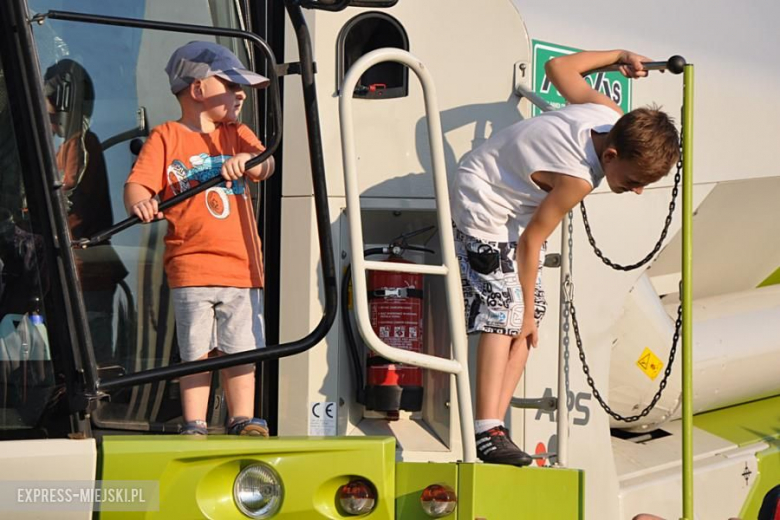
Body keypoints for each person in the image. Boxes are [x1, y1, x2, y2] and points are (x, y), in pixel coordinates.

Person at [450, 49, 680, 466]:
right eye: (632, 181)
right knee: (505, 311)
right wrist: (524, 316)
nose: (638, 190)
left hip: (509, 209)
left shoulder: (607, 113)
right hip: (481, 196)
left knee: (530, 310)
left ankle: (492, 428)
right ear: (610, 157)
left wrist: (620, 56)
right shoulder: (577, 179)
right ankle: (487, 429)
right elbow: (532, 243)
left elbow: (558, 68)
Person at [124, 41, 275, 436]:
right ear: (197, 89)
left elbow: (266, 164)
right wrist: (140, 202)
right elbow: (138, 184)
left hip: (241, 267)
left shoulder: (236, 133)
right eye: (231, 83)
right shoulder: (166, 137)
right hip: (190, 266)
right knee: (196, 352)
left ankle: (242, 418)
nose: (241, 92)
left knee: (242, 350)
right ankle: (195, 421)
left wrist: (249, 162)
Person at [43, 59, 128, 364]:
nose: (46, 117)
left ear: (65, 103)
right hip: (79, 268)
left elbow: (61, 195)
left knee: (90, 357)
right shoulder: (68, 146)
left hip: (85, 269)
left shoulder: (81, 144)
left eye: (47, 104)